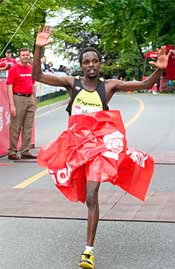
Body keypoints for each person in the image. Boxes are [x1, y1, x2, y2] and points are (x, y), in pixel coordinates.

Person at [32, 26, 171, 269]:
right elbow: (37, 76)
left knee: (91, 194)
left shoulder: (108, 86)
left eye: (95, 60)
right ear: (81, 65)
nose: (91, 65)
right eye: (87, 62)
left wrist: (159, 71)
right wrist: (38, 48)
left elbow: (142, 84)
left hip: (98, 147)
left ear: (100, 64)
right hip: (75, 147)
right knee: (78, 191)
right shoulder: (71, 83)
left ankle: (88, 251)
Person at [7, 47, 37, 160]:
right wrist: (11, 104)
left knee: (28, 126)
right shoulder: (14, 68)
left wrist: (34, 99)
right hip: (18, 98)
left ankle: (25, 151)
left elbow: (32, 85)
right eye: (23, 55)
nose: (25, 57)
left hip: (29, 98)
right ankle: (12, 151)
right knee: (16, 126)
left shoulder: (30, 68)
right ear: (20, 56)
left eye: (27, 55)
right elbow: (9, 87)